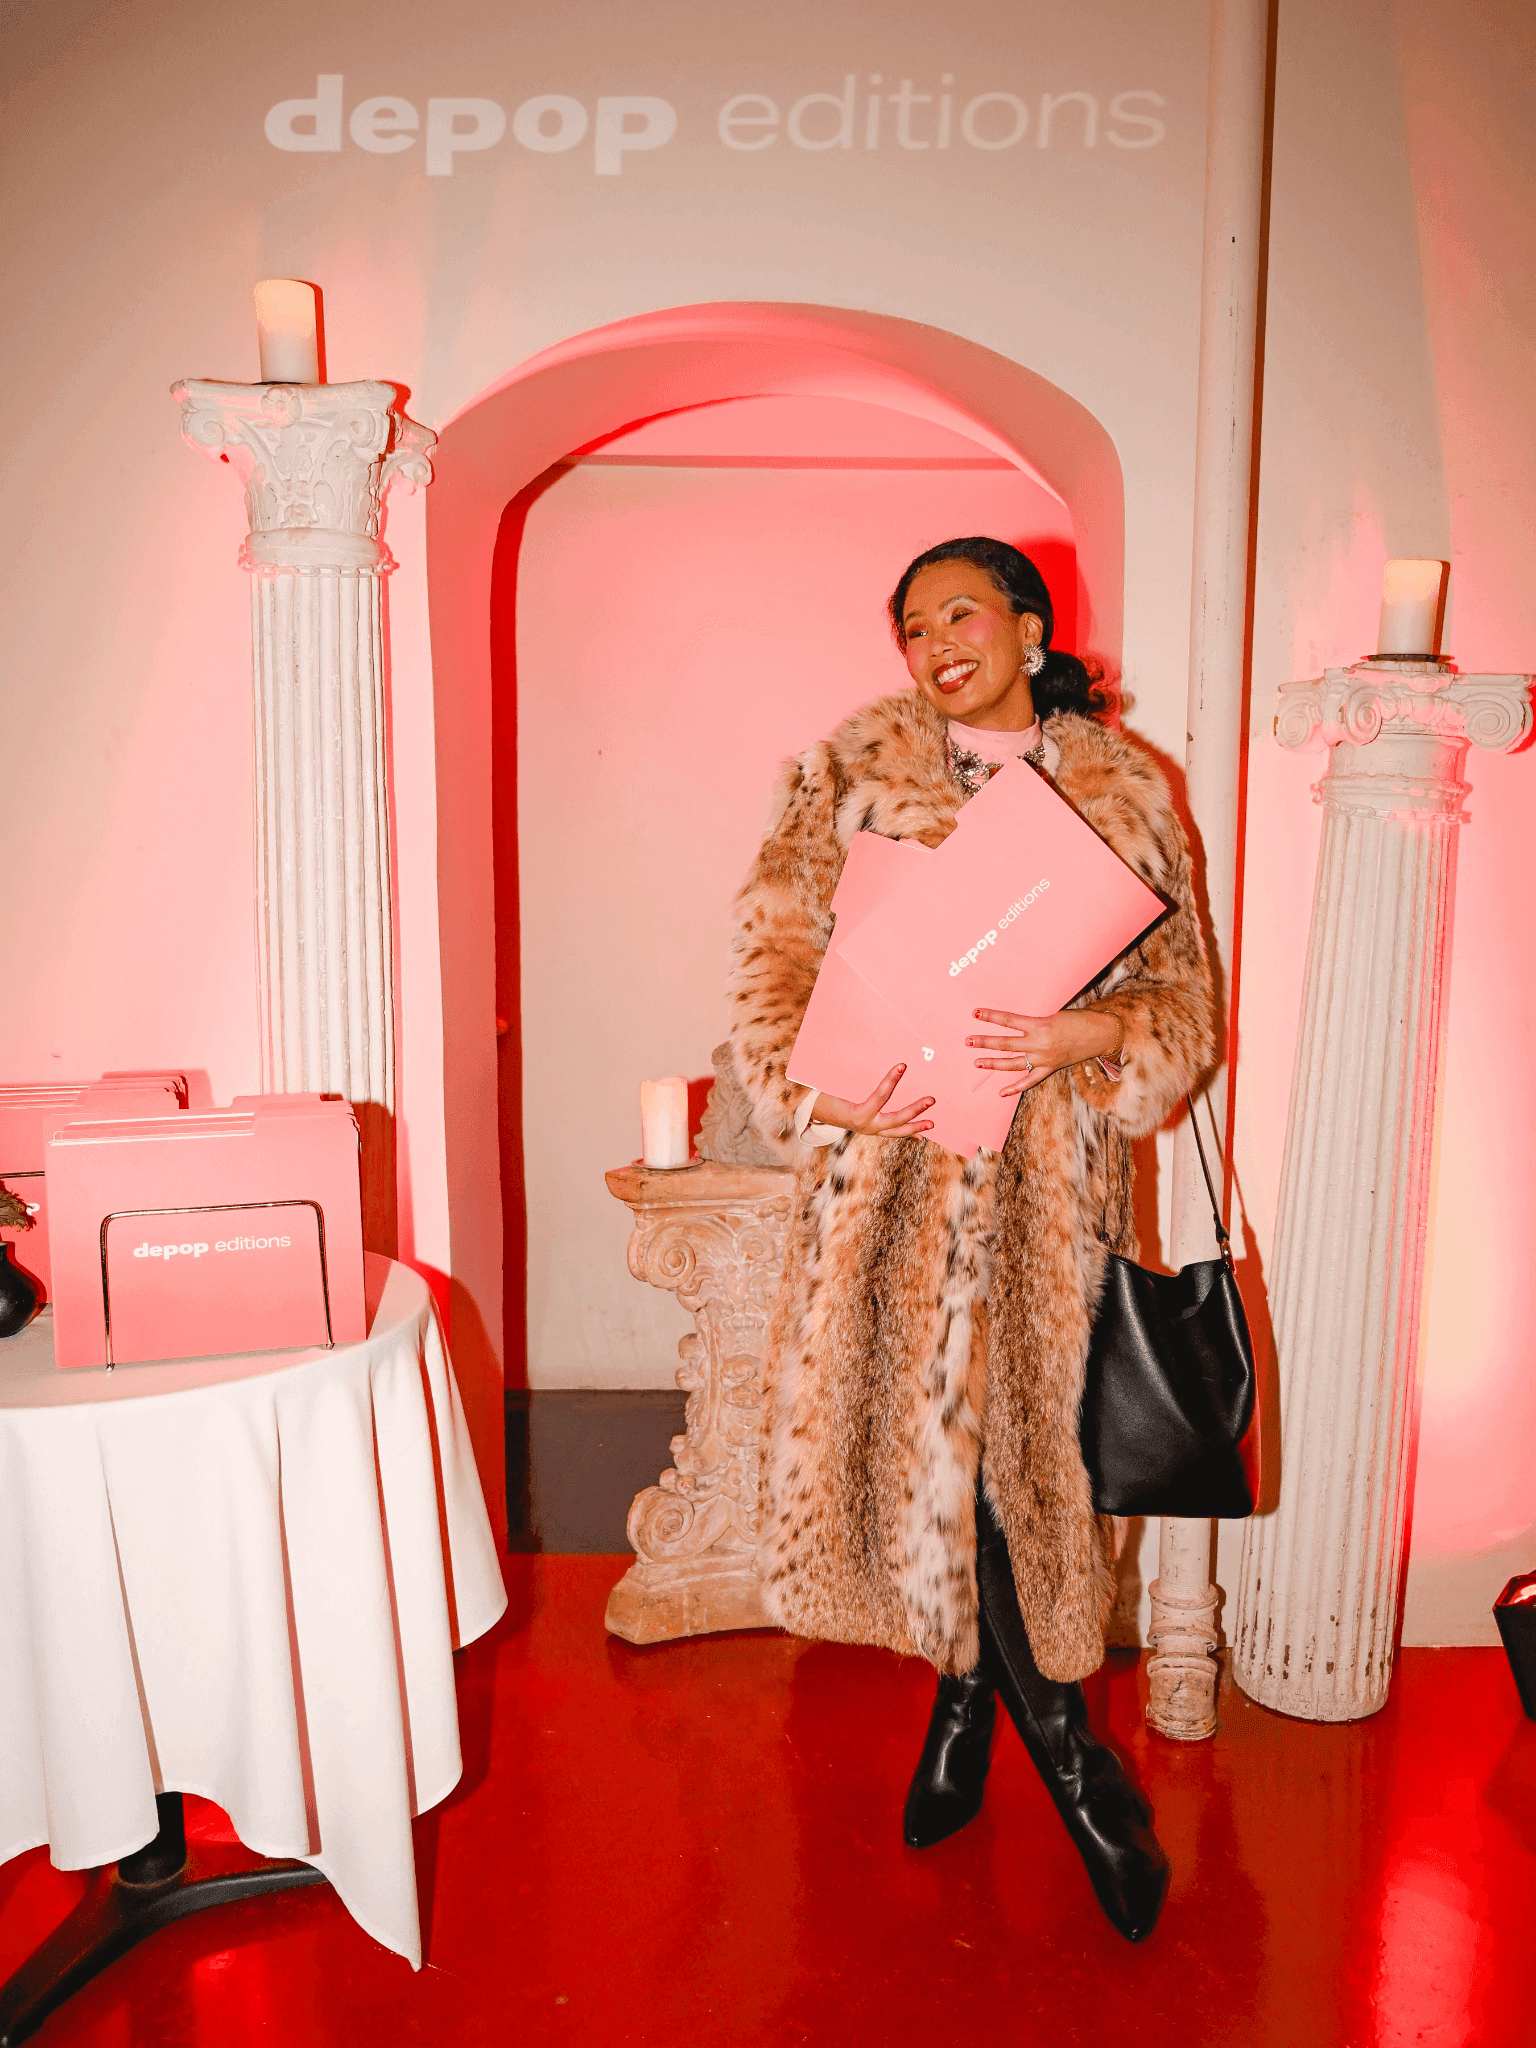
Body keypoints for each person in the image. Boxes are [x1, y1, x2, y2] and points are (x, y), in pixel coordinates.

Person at [727, 537, 1215, 1942]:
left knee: (1021, 1468)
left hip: (1049, 1188)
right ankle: (1067, 1759)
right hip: (895, 1177)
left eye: (961, 611)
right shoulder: (849, 773)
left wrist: (1093, 1032)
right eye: (912, 625)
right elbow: (773, 949)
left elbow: (1185, 995)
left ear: (1030, 627)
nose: (936, 640)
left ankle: (984, 1713)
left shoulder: (1125, 792)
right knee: (939, 1464)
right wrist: (814, 1083)